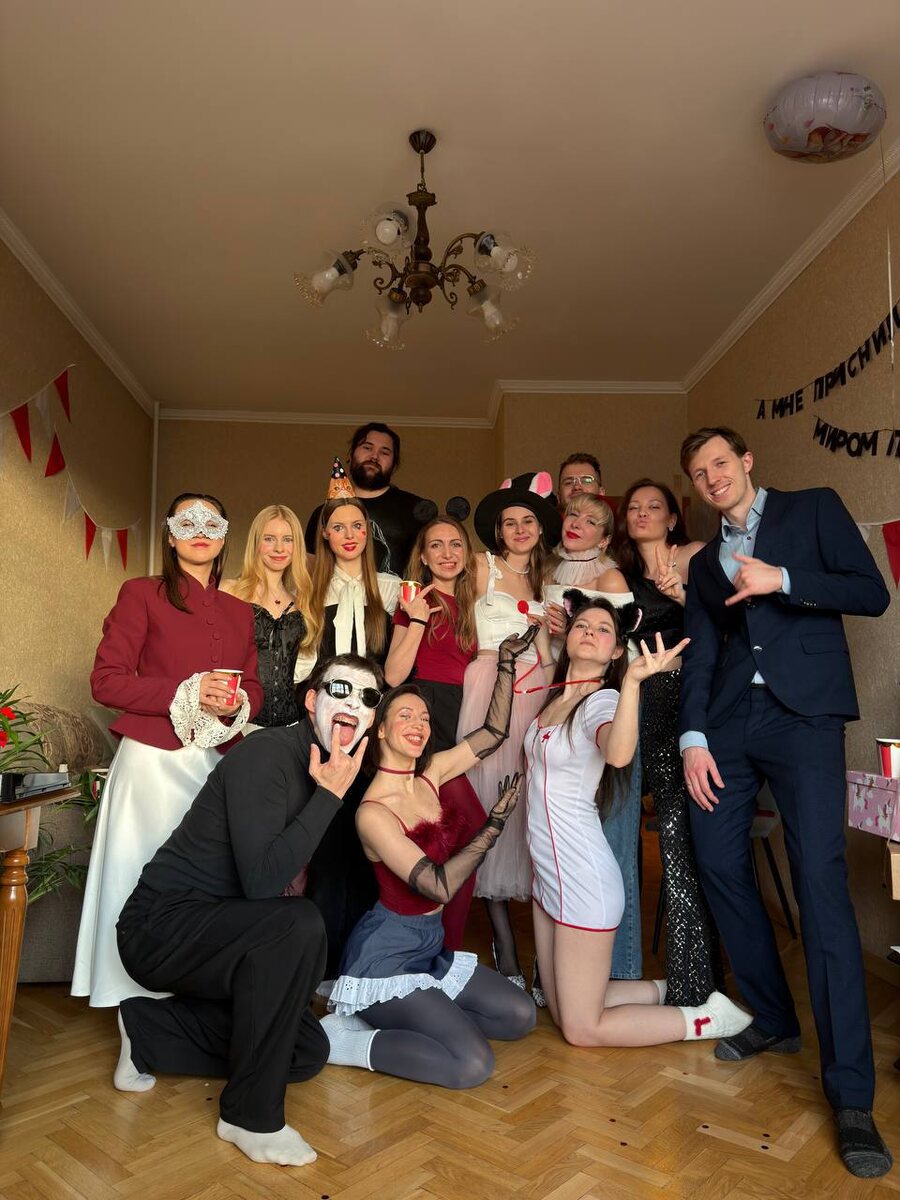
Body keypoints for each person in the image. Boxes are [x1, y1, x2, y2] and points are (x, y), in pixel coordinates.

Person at [678, 426, 892, 1179]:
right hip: (729, 724)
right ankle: (773, 1017)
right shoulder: (702, 563)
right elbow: (704, 651)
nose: (712, 477)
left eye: (720, 463)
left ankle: (852, 1098)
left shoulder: (814, 508)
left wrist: (786, 579)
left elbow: (871, 593)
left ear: (745, 462)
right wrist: (693, 736)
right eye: (698, 472)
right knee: (716, 862)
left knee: (819, 884)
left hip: (806, 719)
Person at [113, 654, 379, 1167]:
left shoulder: (334, 772)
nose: (353, 703)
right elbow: (262, 884)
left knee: (307, 1051)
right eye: (339, 689)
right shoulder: (267, 754)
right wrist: (329, 796)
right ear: (311, 701)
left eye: (368, 698)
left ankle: (147, 1030)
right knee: (298, 923)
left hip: (228, 933)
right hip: (159, 927)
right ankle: (249, 1116)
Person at [525, 590, 752, 1049]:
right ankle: (675, 990)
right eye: (582, 625)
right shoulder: (553, 698)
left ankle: (706, 1020)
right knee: (559, 1005)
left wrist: (631, 683)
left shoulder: (601, 702)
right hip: (547, 877)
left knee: (581, 1029)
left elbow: (618, 752)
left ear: (616, 651)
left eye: (603, 629)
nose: (589, 632)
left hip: (583, 879)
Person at [321, 628, 539, 1088]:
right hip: (386, 957)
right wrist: (493, 826)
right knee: (471, 1066)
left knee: (519, 1016)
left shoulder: (431, 773)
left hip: (429, 946)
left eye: (423, 717)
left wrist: (505, 663)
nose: (419, 724)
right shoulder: (372, 812)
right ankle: (344, 1041)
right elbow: (437, 886)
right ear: (380, 730)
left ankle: (418, 1015)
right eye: (405, 716)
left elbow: (493, 735)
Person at [72, 494, 262, 1008]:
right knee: (136, 877)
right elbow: (106, 681)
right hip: (151, 765)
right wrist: (188, 690)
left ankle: (192, 1012)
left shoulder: (242, 612)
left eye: (211, 522)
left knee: (208, 886)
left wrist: (237, 701)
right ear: (170, 534)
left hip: (216, 767)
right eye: (187, 521)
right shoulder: (141, 593)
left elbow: (253, 686)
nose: (199, 530)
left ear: (225, 536)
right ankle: (132, 1014)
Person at [613, 478, 722, 1006]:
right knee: (623, 826)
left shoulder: (695, 555)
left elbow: (730, 621)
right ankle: (621, 967)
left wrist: (685, 596)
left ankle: (696, 981)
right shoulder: (619, 574)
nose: (642, 513)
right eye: (634, 507)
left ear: (673, 517)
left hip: (686, 698)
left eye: (653, 506)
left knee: (680, 834)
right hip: (636, 700)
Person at [456, 472, 560, 993]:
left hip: (537, 692)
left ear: (541, 529)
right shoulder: (481, 567)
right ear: (498, 531)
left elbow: (552, 656)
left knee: (534, 812)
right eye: (510, 522)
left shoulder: (550, 581)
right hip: (488, 687)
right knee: (494, 803)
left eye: (528, 521)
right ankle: (504, 942)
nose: (519, 529)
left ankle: (546, 956)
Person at [543, 493, 643, 985]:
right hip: (556, 694)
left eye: (591, 520)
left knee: (611, 831)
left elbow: (615, 646)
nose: (576, 522)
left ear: (605, 539)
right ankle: (564, 969)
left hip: (601, 704)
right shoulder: (547, 569)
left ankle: (618, 971)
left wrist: (621, 694)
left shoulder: (611, 579)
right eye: (572, 514)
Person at [384, 514, 484, 949]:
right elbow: (393, 675)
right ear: (422, 557)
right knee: (473, 832)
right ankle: (445, 950)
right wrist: (418, 620)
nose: (447, 553)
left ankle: (436, 947)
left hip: (466, 717)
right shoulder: (414, 603)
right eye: (436, 546)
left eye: (455, 544)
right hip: (430, 719)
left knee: (450, 840)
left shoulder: (476, 606)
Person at [220, 504, 317, 728]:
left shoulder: (302, 603)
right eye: (269, 539)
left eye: (288, 539)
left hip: (290, 726)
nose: (279, 548)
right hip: (239, 722)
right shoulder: (230, 591)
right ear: (256, 542)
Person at [297, 492, 400, 683]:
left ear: (367, 530)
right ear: (325, 533)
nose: (350, 535)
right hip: (322, 694)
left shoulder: (392, 588)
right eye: (338, 527)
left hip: (377, 695)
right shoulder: (309, 592)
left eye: (357, 526)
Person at [304, 424, 430, 574]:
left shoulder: (415, 509)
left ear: (394, 464)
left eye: (384, 452)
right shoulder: (323, 514)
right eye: (367, 448)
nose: (374, 456)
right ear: (350, 455)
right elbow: (310, 572)